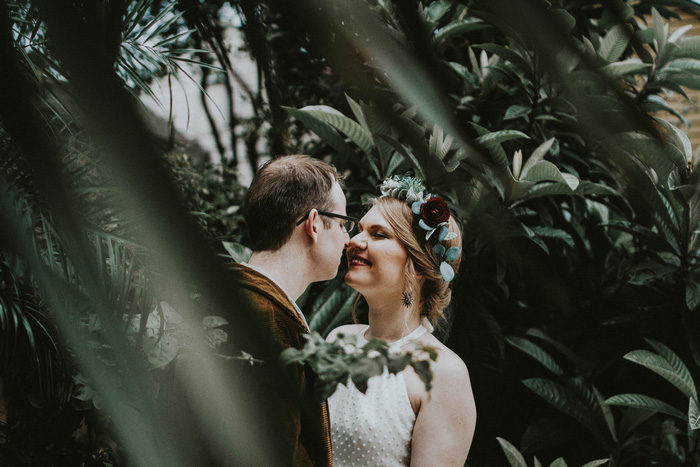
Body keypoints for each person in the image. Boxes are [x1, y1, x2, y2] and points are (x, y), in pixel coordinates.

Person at [327, 175, 476, 466]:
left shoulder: (442, 374)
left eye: (378, 234)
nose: (354, 241)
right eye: (359, 230)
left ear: (420, 265)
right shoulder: (337, 339)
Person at [229, 154, 355, 466]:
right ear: (314, 225)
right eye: (342, 224)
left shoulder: (230, 299)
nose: (348, 239)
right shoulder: (269, 325)